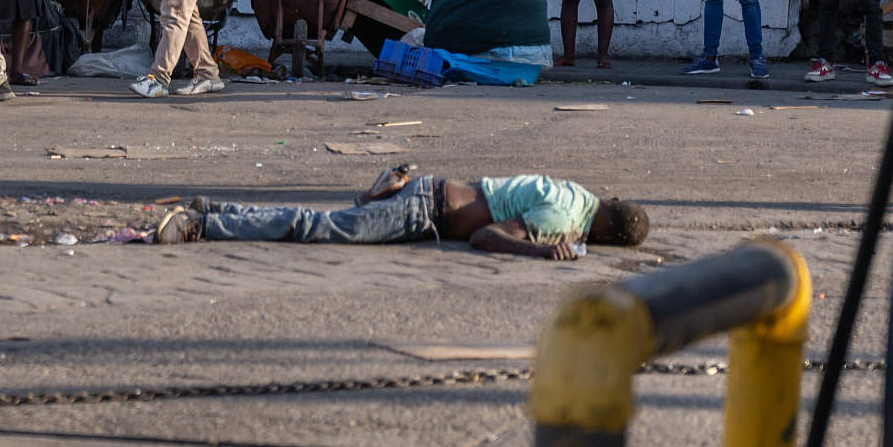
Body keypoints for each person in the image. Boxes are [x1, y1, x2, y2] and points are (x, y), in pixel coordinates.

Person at [152, 166, 650, 261]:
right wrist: (543, 252)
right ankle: (202, 225)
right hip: (424, 212)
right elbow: (485, 238)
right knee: (314, 228)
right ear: (606, 237)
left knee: (317, 220)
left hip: (431, 191)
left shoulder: (576, 194)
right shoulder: (563, 223)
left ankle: (215, 207)